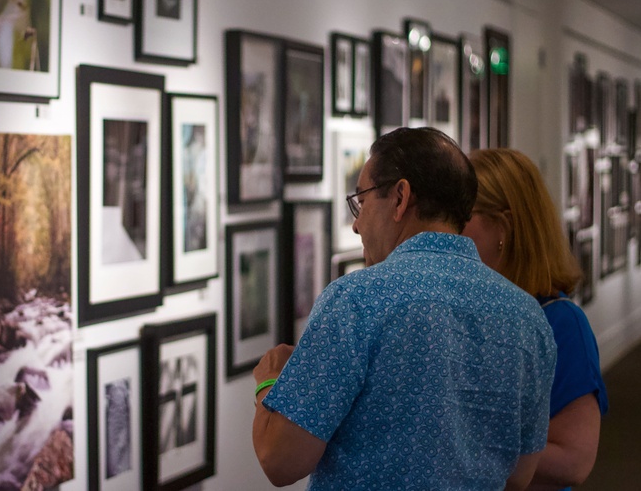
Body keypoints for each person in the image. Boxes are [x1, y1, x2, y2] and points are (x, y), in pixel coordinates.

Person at [252, 127, 557, 490]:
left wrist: (269, 382)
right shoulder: (527, 317)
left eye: (362, 201)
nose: (356, 224)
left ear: (400, 197)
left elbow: (280, 460)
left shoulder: (355, 300)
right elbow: (519, 475)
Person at [462, 148, 608, 490]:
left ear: (504, 227)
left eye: (461, 215)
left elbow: (575, 461)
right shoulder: (467, 311)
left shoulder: (561, 323)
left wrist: (460, 445)